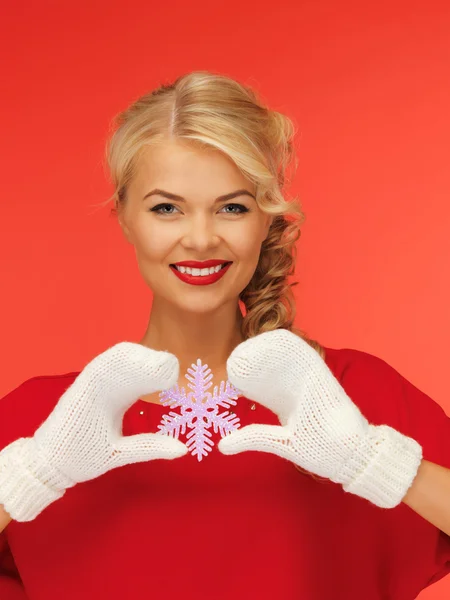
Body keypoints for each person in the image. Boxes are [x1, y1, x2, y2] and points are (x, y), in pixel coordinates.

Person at [0, 71, 449, 600]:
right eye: (166, 207)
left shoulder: (358, 394)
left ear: (267, 219)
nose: (200, 237)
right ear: (123, 215)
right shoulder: (39, 420)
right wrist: (31, 472)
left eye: (232, 207)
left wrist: (376, 461)